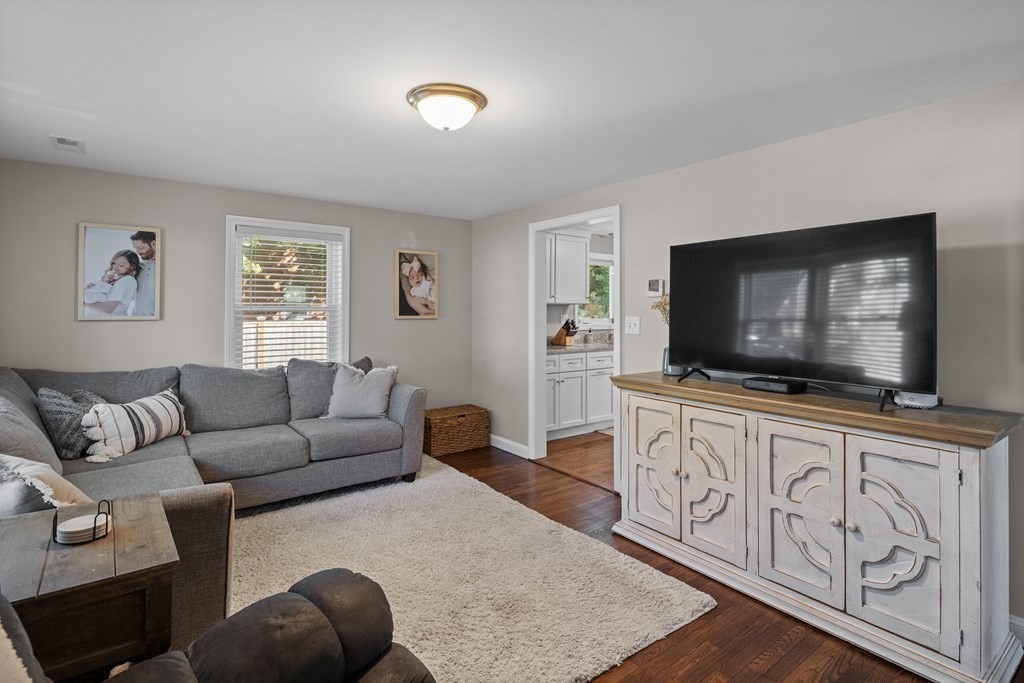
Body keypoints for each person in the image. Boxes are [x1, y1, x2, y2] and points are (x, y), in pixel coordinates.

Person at [83, 250, 140, 316]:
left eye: (121, 265)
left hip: (112, 322)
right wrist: (94, 288)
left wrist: (83, 303)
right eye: (114, 263)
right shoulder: (115, 278)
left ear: (132, 266)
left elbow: (108, 309)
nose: (115, 267)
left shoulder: (127, 280)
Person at [130, 230, 157, 316]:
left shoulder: (167, 266)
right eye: (136, 248)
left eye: (140, 248)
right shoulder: (138, 266)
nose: (137, 252)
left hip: (158, 321)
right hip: (136, 319)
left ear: (154, 244)